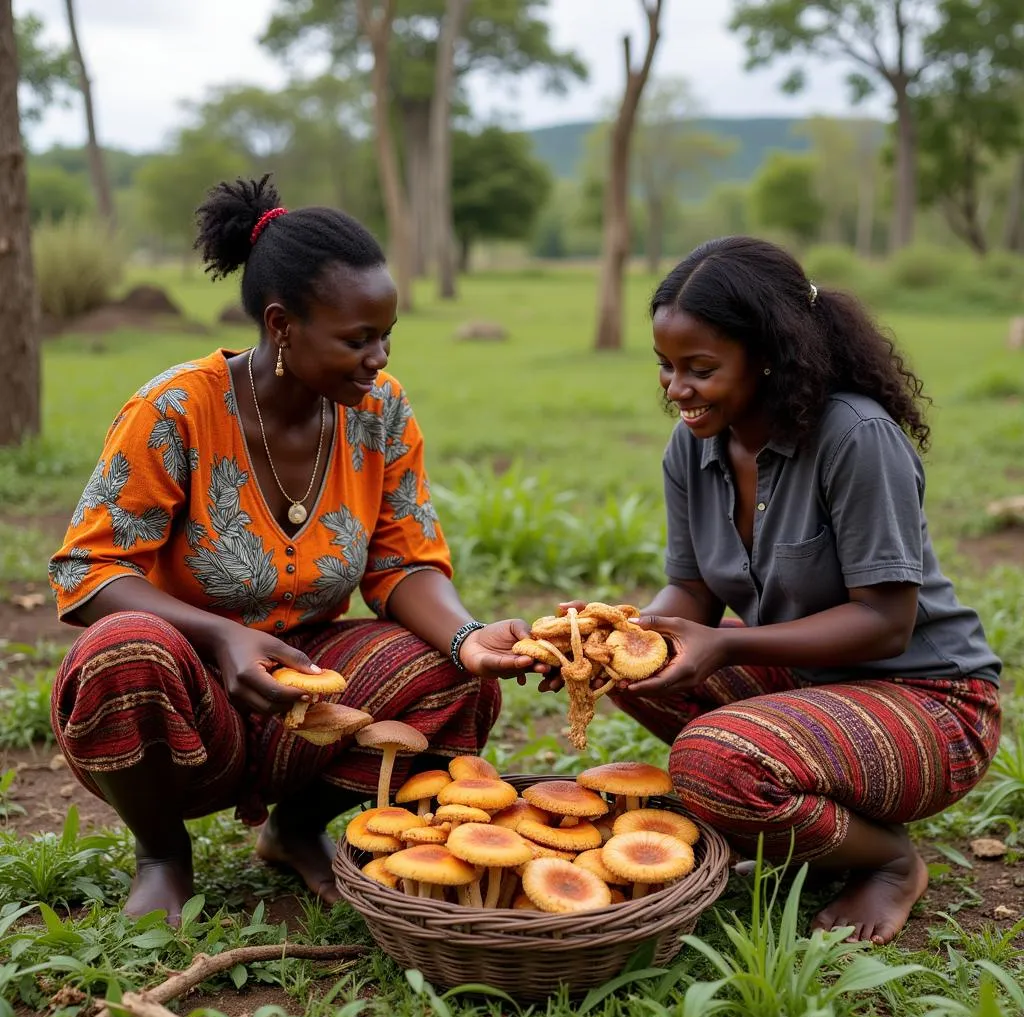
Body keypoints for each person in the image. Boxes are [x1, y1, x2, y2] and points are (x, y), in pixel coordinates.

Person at [48, 174, 536, 924]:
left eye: (386, 335)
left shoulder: (380, 411)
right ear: (282, 325)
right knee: (123, 648)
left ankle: (296, 830)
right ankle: (162, 854)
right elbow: (88, 571)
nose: (378, 358)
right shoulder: (176, 411)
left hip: (311, 688)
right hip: (193, 687)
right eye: (357, 339)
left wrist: (469, 639)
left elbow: (402, 563)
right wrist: (222, 636)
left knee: (452, 675)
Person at [555, 236, 1002, 945]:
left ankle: (888, 861)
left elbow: (886, 622)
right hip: (806, 684)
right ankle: (825, 816)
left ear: (768, 355)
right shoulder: (694, 444)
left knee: (709, 762)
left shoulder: (855, 437)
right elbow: (692, 594)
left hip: (929, 700)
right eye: (666, 368)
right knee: (626, 667)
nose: (676, 390)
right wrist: (604, 636)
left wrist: (726, 645)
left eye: (699, 369)